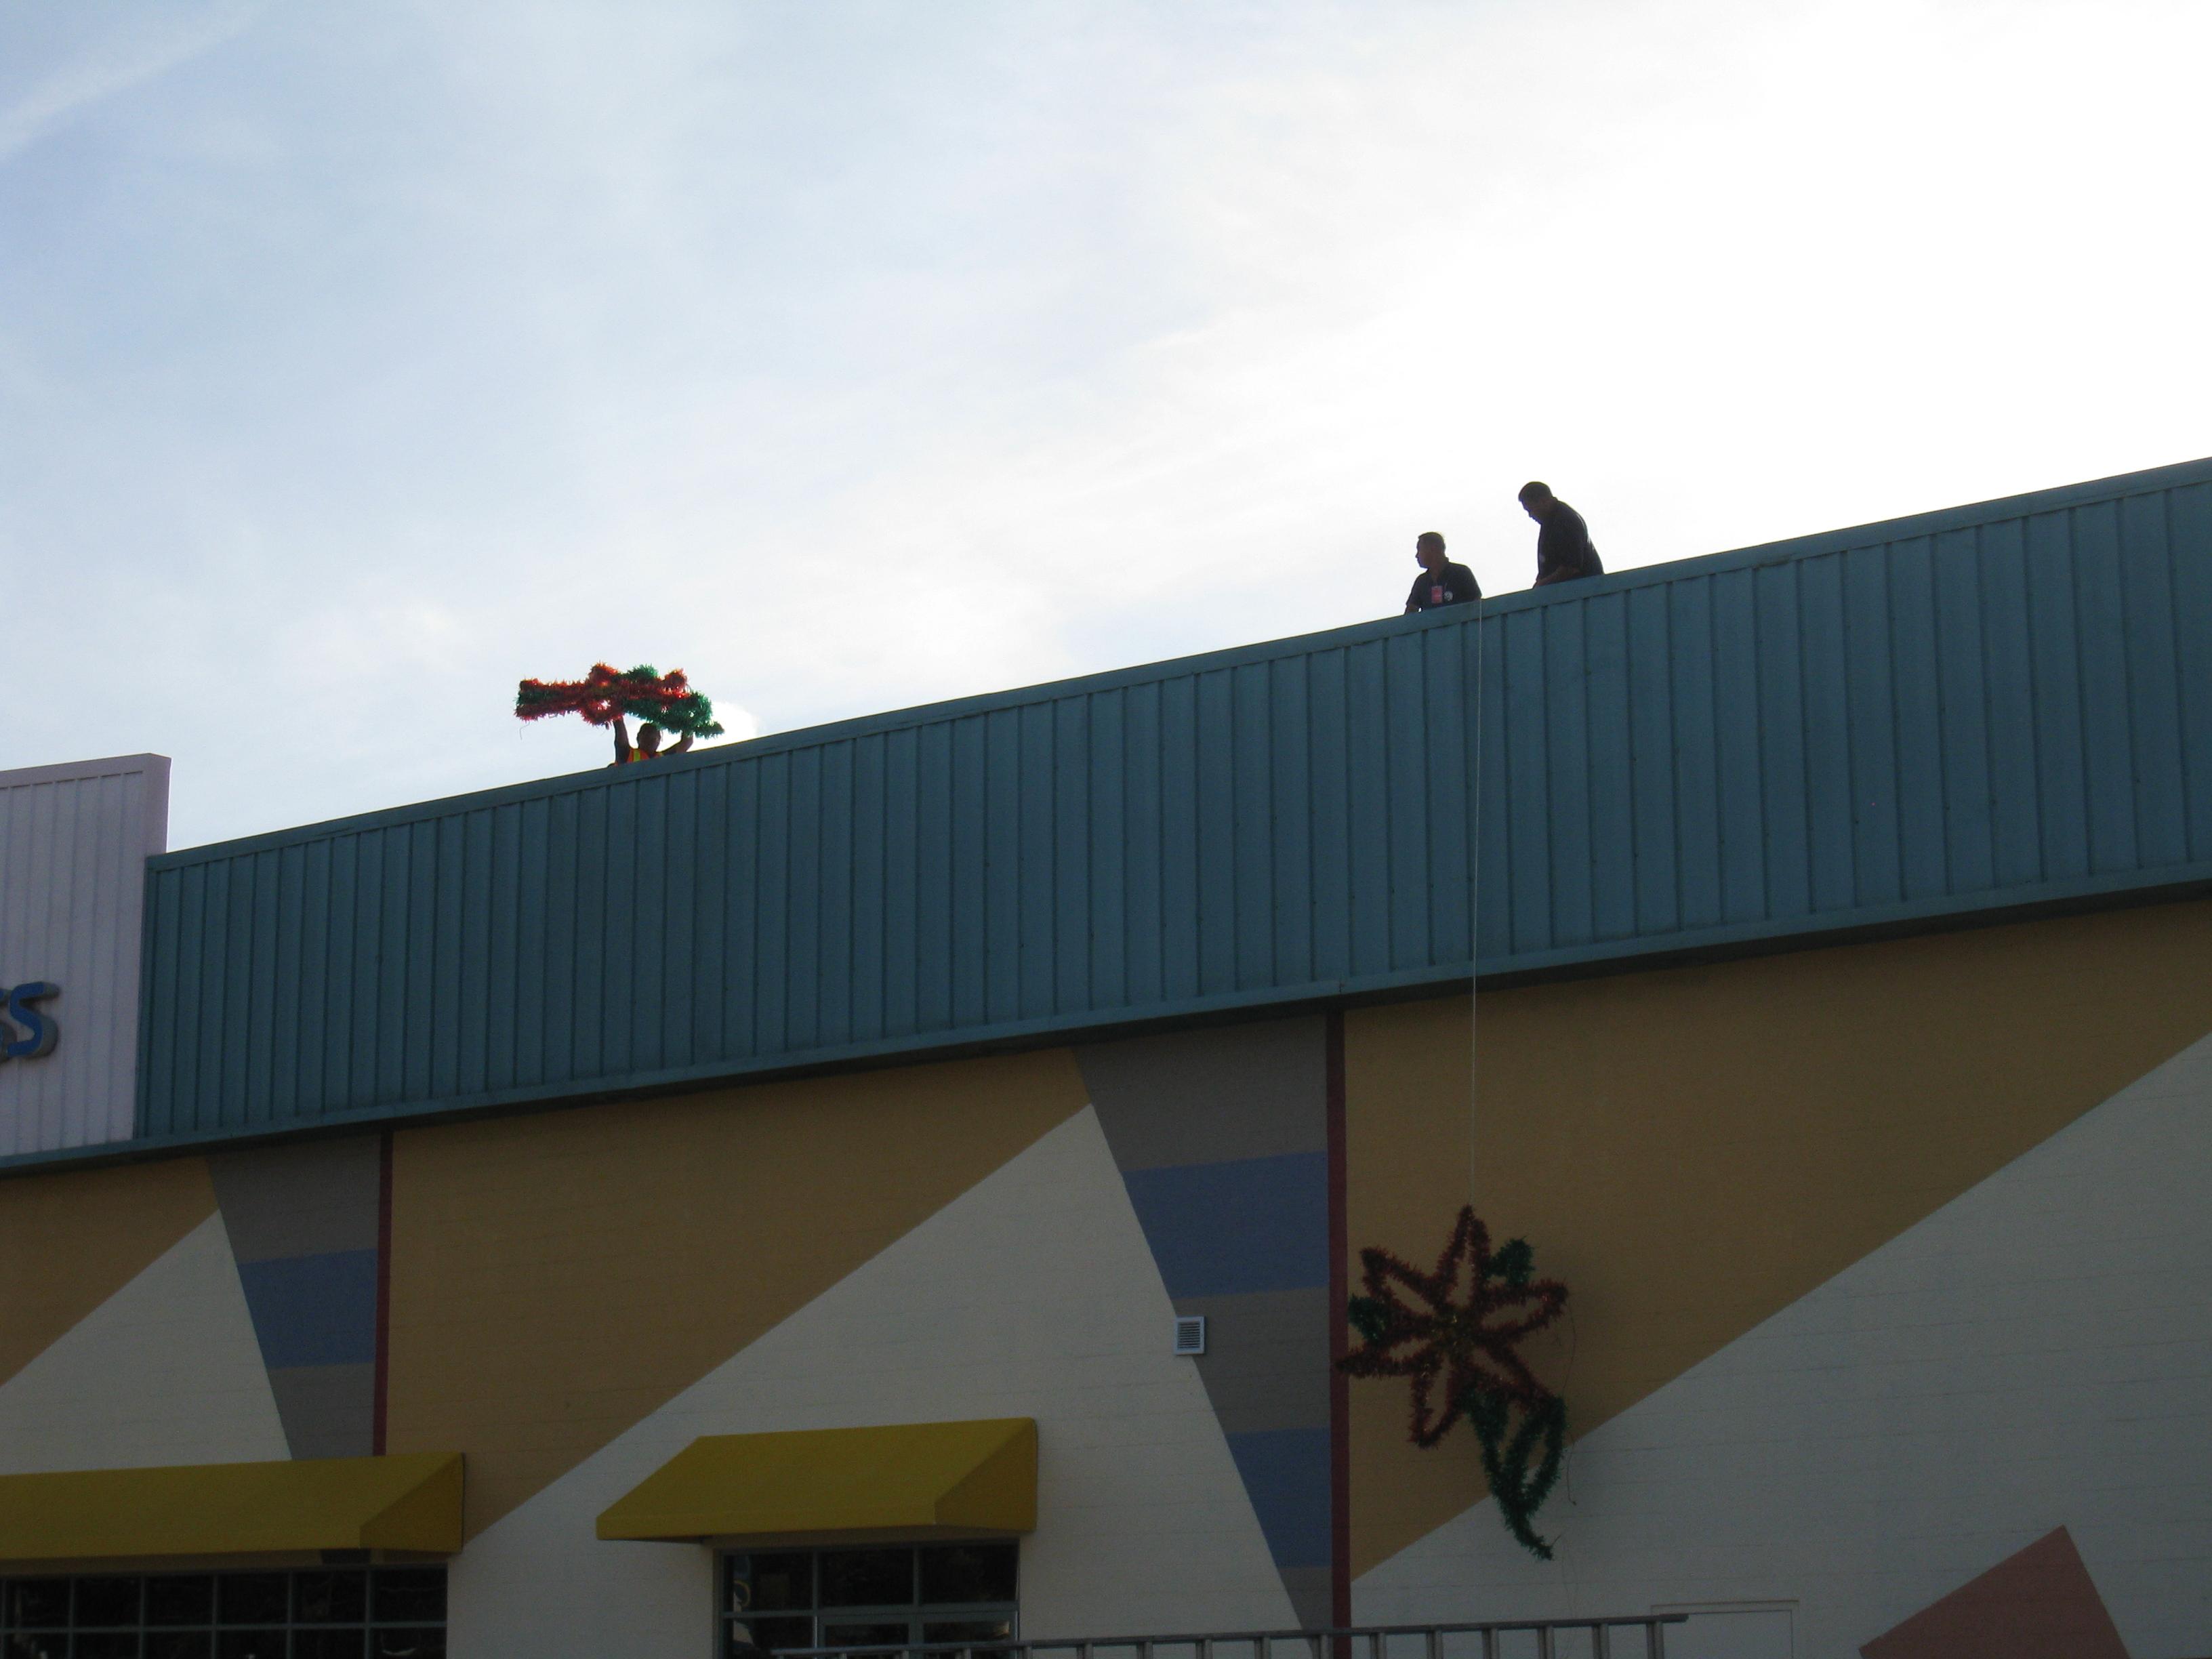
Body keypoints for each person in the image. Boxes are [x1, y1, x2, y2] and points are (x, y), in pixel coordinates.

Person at [1519, 483, 1604, 586]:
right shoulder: (1550, 521)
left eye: (1530, 510)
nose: (1530, 515)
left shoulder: (1565, 520)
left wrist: (1541, 585)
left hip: (1584, 589)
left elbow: (1571, 568)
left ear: (1543, 501)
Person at [1404, 531, 1481, 613]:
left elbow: (1477, 606)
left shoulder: (1462, 573)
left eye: (1419, 550)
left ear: (1433, 549)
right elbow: (1410, 612)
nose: (1417, 556)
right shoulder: (1421, 581)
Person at [611, 714, 694, 766]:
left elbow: (686, 742)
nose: (651, 736)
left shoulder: (663, 757)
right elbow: (620, 729)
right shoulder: (627, 754)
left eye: (656, 734)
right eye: (647, 733)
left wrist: (687, 717)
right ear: (638, 737)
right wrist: (616, 709)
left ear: (660, 739)